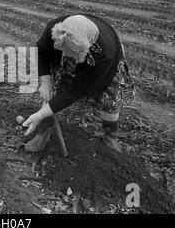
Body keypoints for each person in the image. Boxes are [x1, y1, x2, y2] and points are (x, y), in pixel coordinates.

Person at [22, 14, 135, 153]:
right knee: (54, 88)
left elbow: (76, 91)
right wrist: (45, 83)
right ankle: (44, 130)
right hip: (75, 48)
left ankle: (110, 136)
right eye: (65, 50)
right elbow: (42, 53)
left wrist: (39, 114)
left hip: (104, 60)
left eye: (72, 53)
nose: (68, 55)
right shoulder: (54, 30)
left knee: (110, 98)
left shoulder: (104, 54)